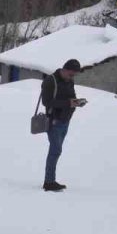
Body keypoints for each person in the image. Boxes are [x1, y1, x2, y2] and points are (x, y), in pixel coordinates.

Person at [41, 59, 86, 192]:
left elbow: (71, 97)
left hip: (65, 121)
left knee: (56, 150)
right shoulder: (51, 81)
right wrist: (68, 103)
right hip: (54, 121)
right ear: (65, 69)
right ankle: (49, 182)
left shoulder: (69, 81)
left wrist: (77, 102)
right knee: (55, 150)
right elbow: (47, 102)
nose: (72, 77)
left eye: (74, 75)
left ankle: (49, 181)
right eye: (71, 74)